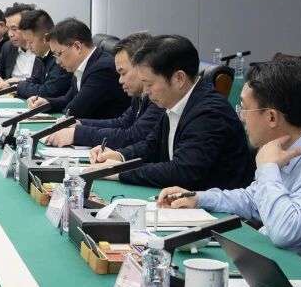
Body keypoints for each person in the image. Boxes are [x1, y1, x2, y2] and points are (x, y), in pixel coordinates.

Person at [158, 59, 301, 274]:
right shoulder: (283, 150)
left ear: (271, 117)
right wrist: (199, 198)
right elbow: (254, 200)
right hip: (278, 269)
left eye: (244, 109)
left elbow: (286, 231)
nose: (241, 117)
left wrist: (268, 168)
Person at [92, 35, 253, 191]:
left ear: (179, 79)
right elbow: (151, 146)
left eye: (149, 84)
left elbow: (182, 171)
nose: (146, 92)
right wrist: (119, 156)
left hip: (211, 206)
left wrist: (119, 171)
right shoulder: (176, 101)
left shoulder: (210, 113)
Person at [43, 32, 161, 149]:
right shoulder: (139, 95)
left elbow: (132, 136)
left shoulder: (158, 99)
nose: (120, 80)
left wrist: (77, 134)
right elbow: (122, 122)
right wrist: (79, 124)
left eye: (123, 73)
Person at [33, 18, 130, 119]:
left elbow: (74, 111)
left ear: (77, 47)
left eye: (58, 54)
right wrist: (47, 103)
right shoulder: (83, 65)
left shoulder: (102, 69)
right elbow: (68, 99)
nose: (57, 61)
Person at [13, 10, 71, 102]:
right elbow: (34, 81)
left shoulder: (61, 57)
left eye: (30, 42)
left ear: (45, 38)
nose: (28, 47)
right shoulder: (41, 54)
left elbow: (49, 91)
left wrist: (19, 86)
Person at [0, 2, 35, 88]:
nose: (10, 34)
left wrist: (18, 83)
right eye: (8, 29)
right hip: (9, 94)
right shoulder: (8, 47)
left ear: (30, 27)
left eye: (14, 29)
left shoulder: (44, 50)